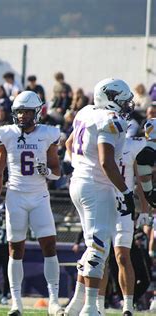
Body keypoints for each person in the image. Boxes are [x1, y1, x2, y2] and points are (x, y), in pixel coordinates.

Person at [64, 78, 135, 316]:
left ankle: (76, 303)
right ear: (111, 98)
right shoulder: (110, 119)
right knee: (98, 248)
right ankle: (90, 308)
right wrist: (125, 191)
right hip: (96, 186)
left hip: (79, 183)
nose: (127, 106)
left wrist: (82, 168)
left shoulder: (85, 112)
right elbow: (106, 161)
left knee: (92, 246)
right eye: (123, 101)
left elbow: (69, 143)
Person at [0, 91, 63, 316]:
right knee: (15, 249)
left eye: (26, 111)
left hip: (39, 196)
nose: (21, 116)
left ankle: (53, 301)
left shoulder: (48, 134)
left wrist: (48, 172)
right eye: (19, 111)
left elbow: (58, 172)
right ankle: (16, 301)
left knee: (49, 246)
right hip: (15, 196)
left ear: (37, 112)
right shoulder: (6, 133)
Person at [96, 135, 148, 316]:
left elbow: (139, 178)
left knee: (123, 257)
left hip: (124, 207)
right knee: (100, 257)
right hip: (101, 204)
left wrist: (143, 207)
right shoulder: (99, 141)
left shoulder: (132, 144)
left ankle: (127, 306)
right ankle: (98, 306)